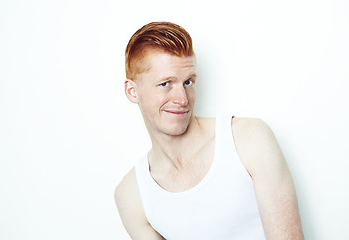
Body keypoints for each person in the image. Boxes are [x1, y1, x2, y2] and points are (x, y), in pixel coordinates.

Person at [115, 21, 304, 240]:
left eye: (188, 82)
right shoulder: (132, 195)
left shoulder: (248, 139)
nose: (182, 99)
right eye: (165, 84)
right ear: (132, 91)